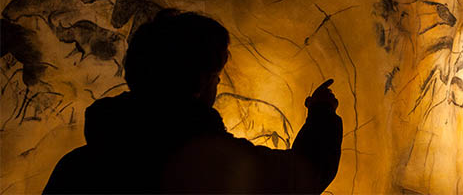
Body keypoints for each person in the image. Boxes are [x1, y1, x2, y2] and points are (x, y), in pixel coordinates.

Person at [43, 10, 343, 194]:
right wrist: (322, 113)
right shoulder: (215, 169)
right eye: (215, 75)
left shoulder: (76, 168)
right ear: (197, 84)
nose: (219, 83)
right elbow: (302, 177)